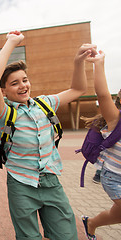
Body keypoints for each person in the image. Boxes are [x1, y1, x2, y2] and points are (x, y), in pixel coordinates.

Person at [0, 30, 97, 240]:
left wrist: (78, 61)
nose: (22, 86)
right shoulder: (5, 112)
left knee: (66, 235)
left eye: (24, 80)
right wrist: (11, 42)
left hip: (51, 181)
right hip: (21, 183)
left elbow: (78, 88)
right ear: (4, 91)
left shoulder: (45, 103)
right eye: (14, 83)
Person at [81, 51, 121, 240]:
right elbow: (103, 94)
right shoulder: (115, 120)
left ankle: (91, 223)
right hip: (114, 177)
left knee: (117, 216)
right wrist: (99, 63)